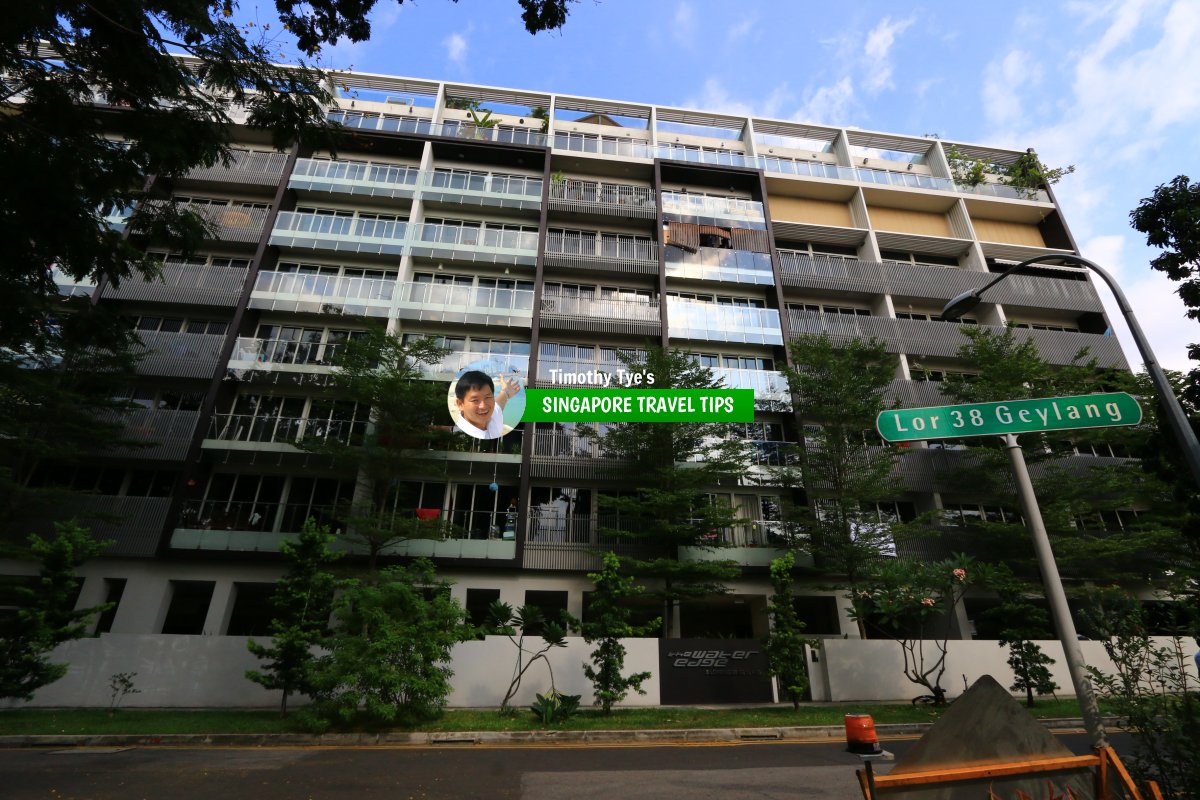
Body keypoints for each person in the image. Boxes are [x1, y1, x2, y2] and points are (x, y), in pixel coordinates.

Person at [453, 370, 520, 440]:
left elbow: (499, 403)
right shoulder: (460, 436)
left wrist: (506, 392)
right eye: (475, 400)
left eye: (487, 397)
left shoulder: (492, 416)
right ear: (460, 404)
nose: (483, 406)